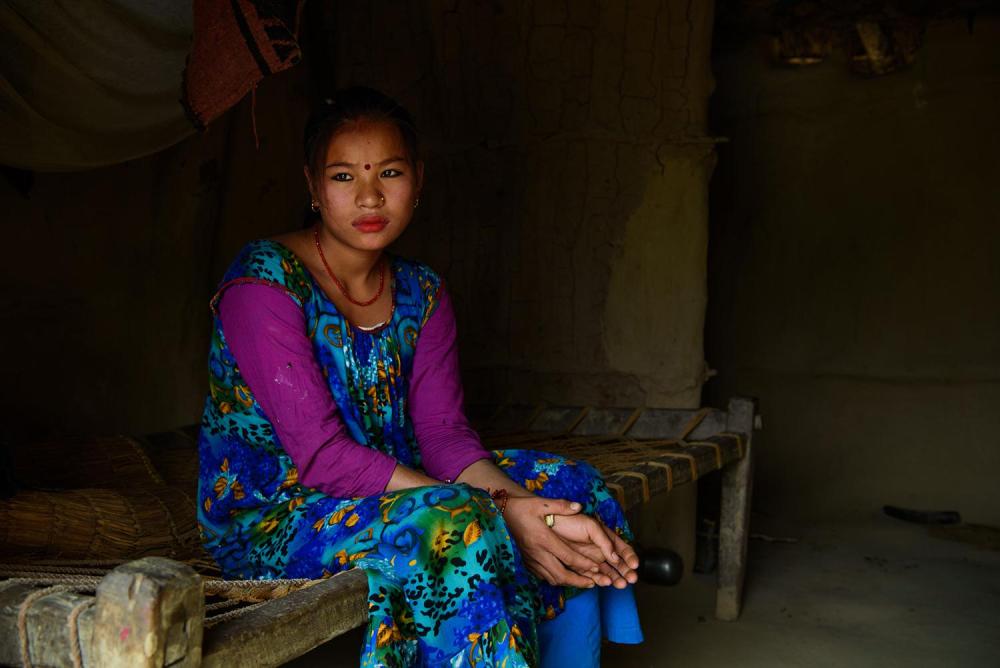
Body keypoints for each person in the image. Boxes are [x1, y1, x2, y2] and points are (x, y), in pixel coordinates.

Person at [197, 86, 643, 667]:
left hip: (399, 485)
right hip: (280, 515)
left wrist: (534, 508)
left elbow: (443, 437)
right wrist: (504, 508)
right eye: (341, 177)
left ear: (418, 181)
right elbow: (323, 457)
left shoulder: (422, 291)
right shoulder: (264, 284)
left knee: (569, 489)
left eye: (389, 171)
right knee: (458, 521)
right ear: (310, 185)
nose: (368, 196)